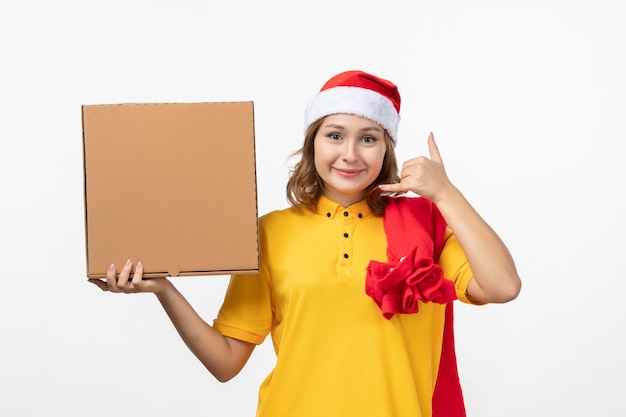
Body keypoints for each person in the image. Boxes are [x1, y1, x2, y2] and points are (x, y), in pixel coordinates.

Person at [90, 70, 521, 417]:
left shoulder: (426, 225)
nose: (350, 153)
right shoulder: (271, 232)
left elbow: (503, 287)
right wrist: (164, 287)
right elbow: (225, 363)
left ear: (386, 150)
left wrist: (445, 194)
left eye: (368, 138)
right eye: (335, 135)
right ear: (312, 142)